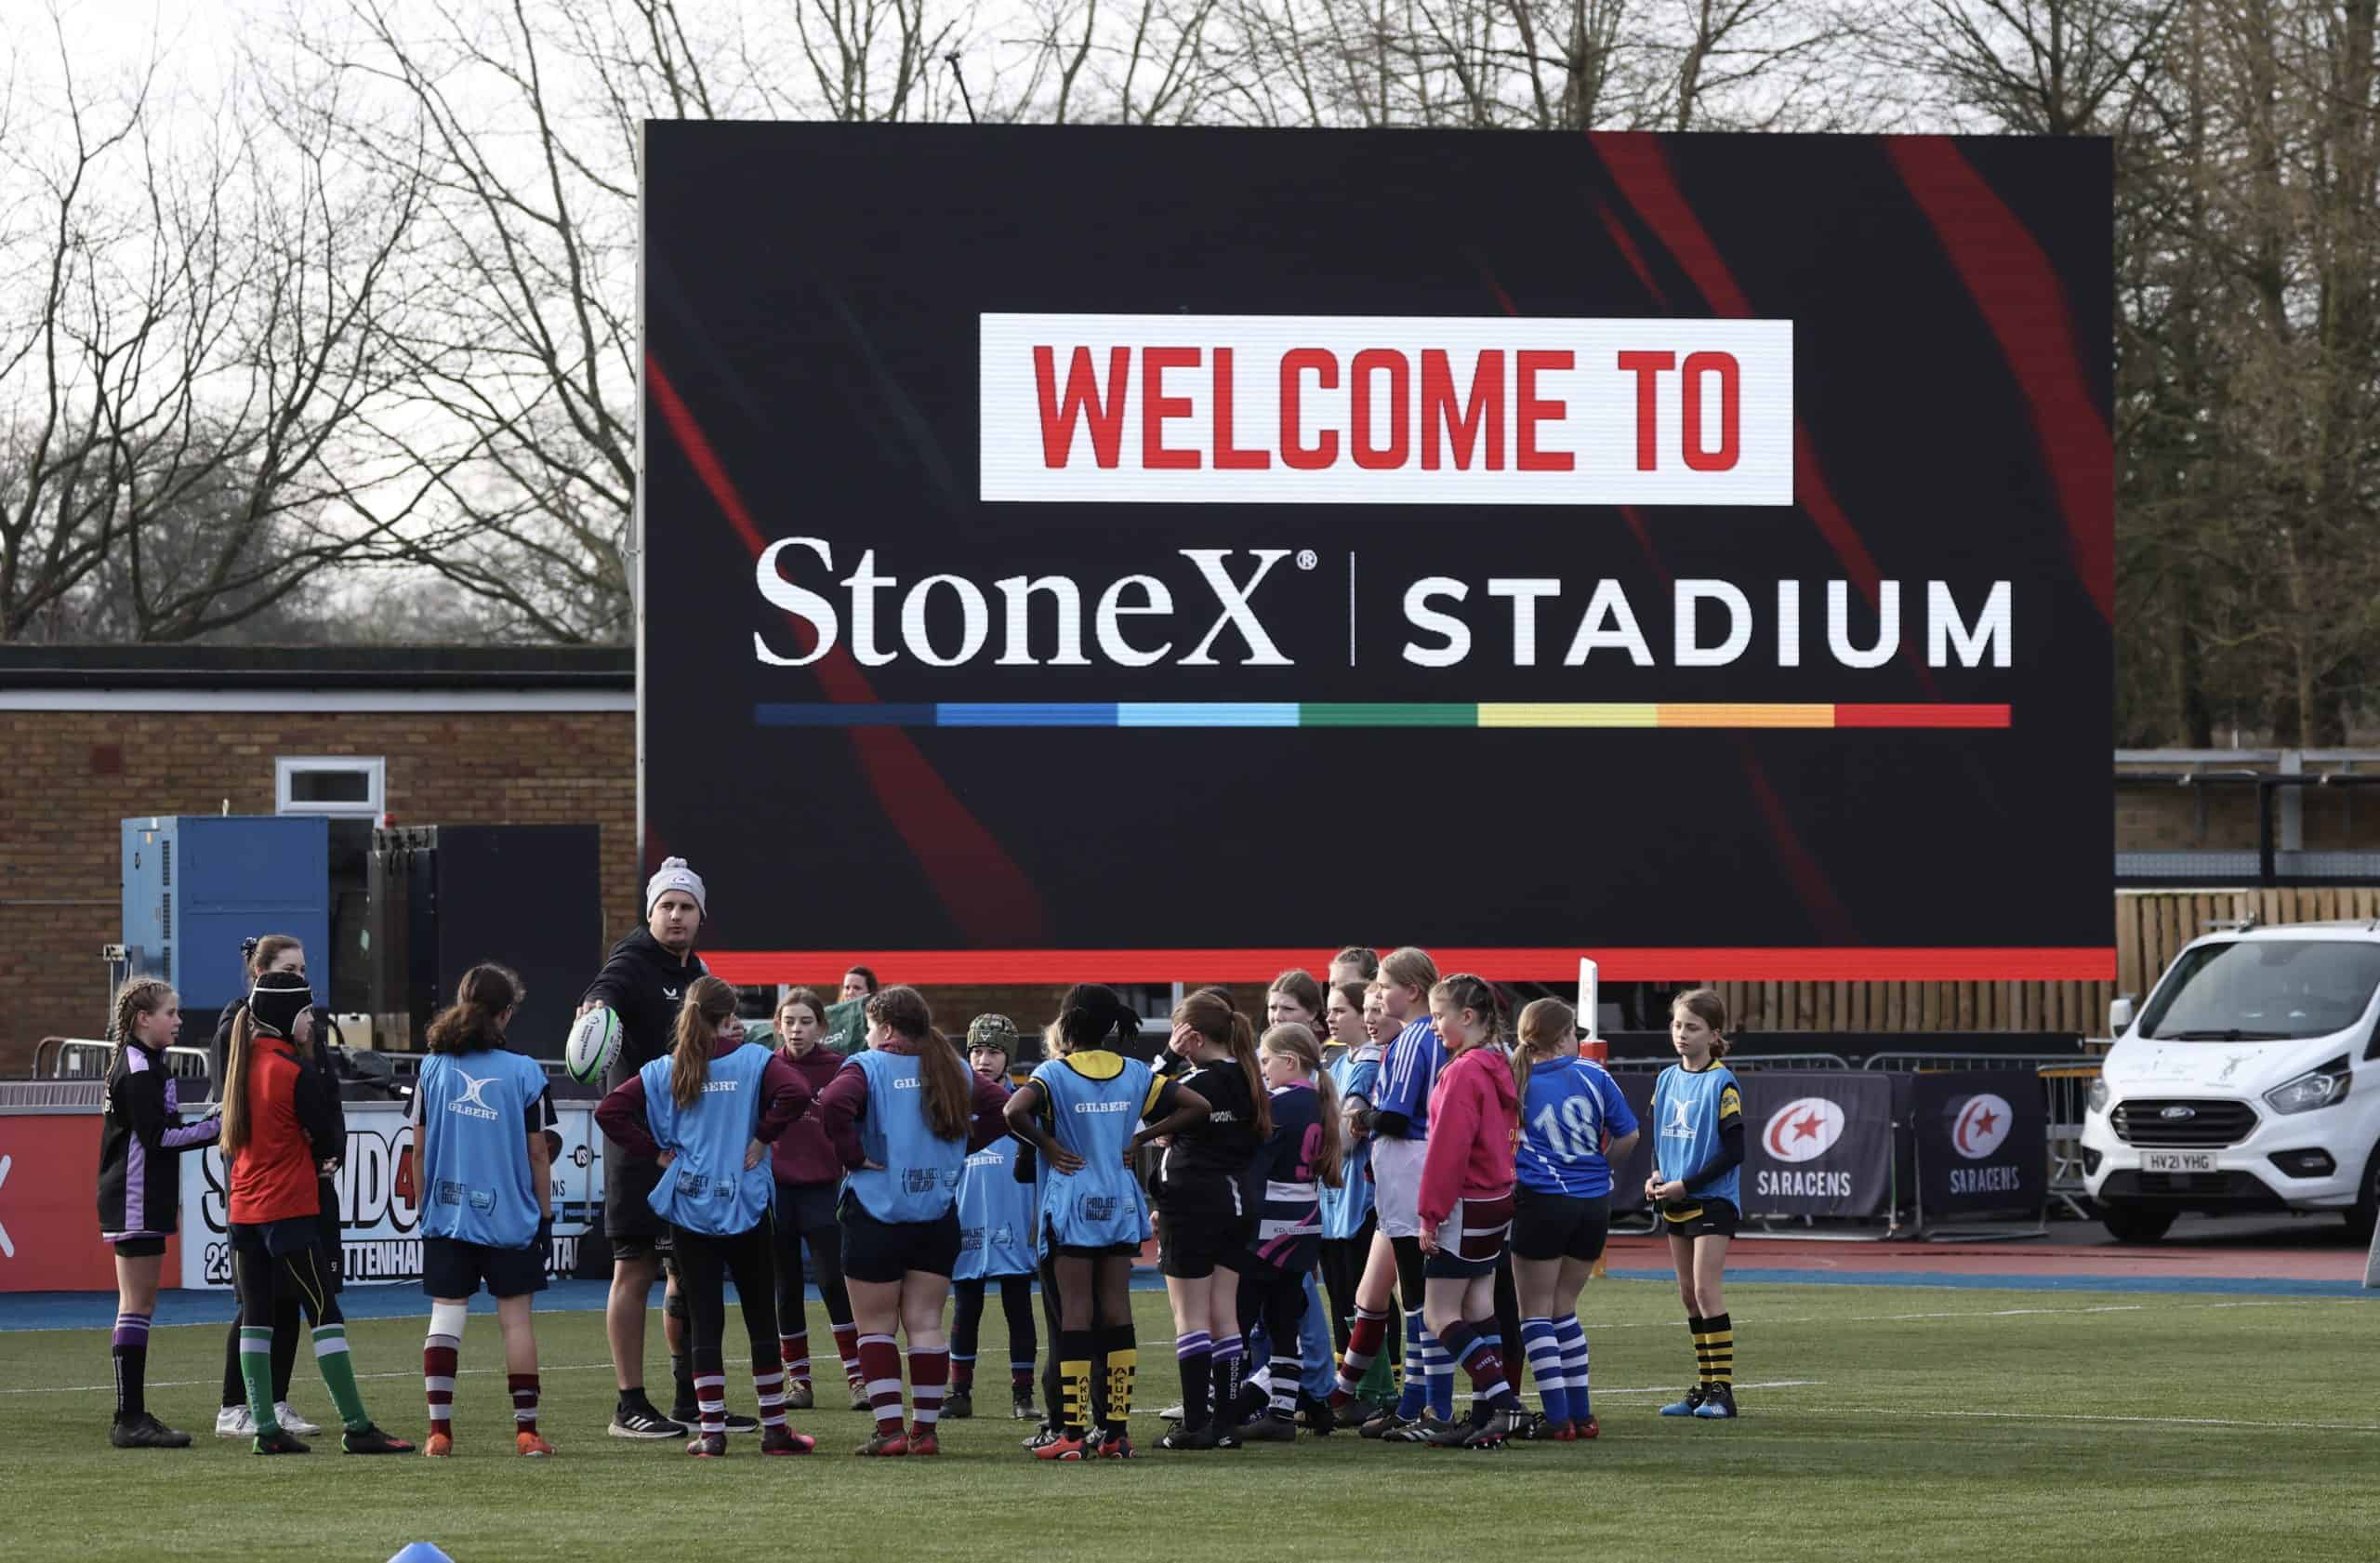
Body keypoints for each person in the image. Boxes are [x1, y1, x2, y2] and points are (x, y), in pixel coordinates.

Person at [596, 975, 819, 1457]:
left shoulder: (667, 1068)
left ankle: (712, 1431)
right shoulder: (755, 1061)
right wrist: (762, 1136)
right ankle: (775, 1429)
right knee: (761, 1314)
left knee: (704, 1317)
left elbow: (611, 1112)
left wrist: (656, 1154)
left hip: (690, 1204)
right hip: (745, 1201)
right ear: (727, 1016)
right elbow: (798, 1094)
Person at [1004, 984, 1210, 1460]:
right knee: (1117, 1309)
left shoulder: (1053, 1072)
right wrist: (1142, 1136)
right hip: (1119, 1200)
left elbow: (1012, 1111)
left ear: (1068, 1023)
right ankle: (1115, 1433)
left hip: (1073, 1201)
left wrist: (1050, 1147)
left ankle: (1071, 1434)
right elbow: (1196, 1107)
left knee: (1075, 1311)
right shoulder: (1136, 1072)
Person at [815, 987, 1013, 1456]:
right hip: (935, 1214)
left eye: (867, 1026)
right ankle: (925, 1432)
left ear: (884, 1030)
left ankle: (889, 1432)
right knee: (926, 1324)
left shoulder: (867, 1066)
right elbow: (1004, 1111)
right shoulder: (950, 1068)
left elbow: (832, 1106)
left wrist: (853, 1156)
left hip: (875, 1215)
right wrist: (960, 1149)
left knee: (876, 1328)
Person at [222, 969, 411, 1454]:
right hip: (288, 1210)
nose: (311, 1022)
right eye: (306, 1013)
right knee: (325, 1312)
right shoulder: (294, 1071)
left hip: (243, 1213)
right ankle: (356, 1425)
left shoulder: (240, 1066)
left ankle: (265, 1428)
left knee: (256, 1317)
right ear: (287, 1016)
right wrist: (314, 1147)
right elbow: (325, 1139)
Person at [581, 856, 716, 1440]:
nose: (677, 915)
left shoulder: (698, 973)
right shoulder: (632, 960)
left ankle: (690, 1398)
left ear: (700, 915)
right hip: (639, 1144)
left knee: (686, 1269)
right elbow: (602, 994)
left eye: (686, 907)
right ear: (650, 912)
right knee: (633, 1269)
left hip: (689, 1143)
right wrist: (595, 1011)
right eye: (667, 906)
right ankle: (629, 1404)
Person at [408, 965, 557, 1458]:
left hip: (447, 1215)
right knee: (516, 1323)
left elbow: (419, 1147)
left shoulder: (432, 1067)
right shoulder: (525, 1072)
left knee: (445, 1317)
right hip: (511, 1217)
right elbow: (539, 1153)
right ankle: (527, 1431)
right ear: (506, 1013)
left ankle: (439, 1433)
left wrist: (428, 1204)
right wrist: (546, 1214)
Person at [1328, 947, 1451, 1438]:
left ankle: (1428, 1405)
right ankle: (1381, 1396)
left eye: (1382, 987)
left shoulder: (1413, 1041)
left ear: (1412, 991)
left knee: (1423, 1302)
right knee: (1391, 1295)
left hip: (1410, 1175)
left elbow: (1397, 1116)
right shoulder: (1424, 1038)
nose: (1375, 997)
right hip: (1408, 1177)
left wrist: (1362, 1119)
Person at [213, 935, 328, 1440]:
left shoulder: (299, 1028)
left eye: (303, 967)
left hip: (294, 1182)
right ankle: (237, 1403)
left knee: (290, 1300)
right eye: (289, 968)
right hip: (260, 1187)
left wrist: (327, 1146)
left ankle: (275, 1401)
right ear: (261, 973)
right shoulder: (238, 1028)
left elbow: (320, 1097)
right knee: (257, 1302)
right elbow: (236, 1107)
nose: (300, 976)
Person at [98, 976, 220, 1448]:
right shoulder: (140, 1067)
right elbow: (160, 1138)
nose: (179, 1020)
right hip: (135, 1196)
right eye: (171, 1013)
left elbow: (161, 1129)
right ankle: (129, 1419)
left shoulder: (148, 1062)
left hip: (140, 1194)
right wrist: (217, 1127)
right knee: (137, 1303)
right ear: (143, 1019)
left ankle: (131, 1415)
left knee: (139, 1304)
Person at [1509, 997, 1637, 1441]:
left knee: (1535, 1313)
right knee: (1565, 1307)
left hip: (1543, 1199)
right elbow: (1629, 1133)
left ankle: (1558, 1417)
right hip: (1593, 1203)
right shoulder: (1593, 1074)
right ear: (1564, 1036)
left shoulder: (1516, 1080)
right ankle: (1582, 1415)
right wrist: (1603, 1166)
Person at [1147, 988, 1267, 1450]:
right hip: (1237, 1202)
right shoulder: (1248, 1076)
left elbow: (1142, 1098)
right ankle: (1225, 1426)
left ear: (1192, 1037)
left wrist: (1166, 1055)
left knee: (1190, 1315)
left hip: (1192, 1201)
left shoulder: (1197, 1081)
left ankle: (1196, 1423)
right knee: (1225, 1316)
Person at [1413, 973, 1527, 1448]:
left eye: (1440, 1016)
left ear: (1468, 1016)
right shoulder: (1497, 1063)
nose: (1434, 1026)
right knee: (1479, 1307)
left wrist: (1429, 1213)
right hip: (1497, 1199)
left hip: (1467, 1201)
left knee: (1439, 1316)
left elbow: (1447, 1149)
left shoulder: (1462, 1072)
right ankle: (1485, 1416)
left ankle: (1505, 1405)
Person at [1229, 1022, 1343, 1443]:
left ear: (1289, 1061)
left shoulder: (1278, 1103)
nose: (1262, 1071)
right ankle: (1280, 1410)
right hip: (1305, 1221)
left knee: (1241, 1318)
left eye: (1266, 1062)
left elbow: (1251, 1158)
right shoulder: (1318, 1100)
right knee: (1284, 1321)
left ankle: (1224, 1404)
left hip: (1268, 1223)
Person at [765, 987, 866, 1412]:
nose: (796, 1030)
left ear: (823, 1027)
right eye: (789, 1022)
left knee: (832, 1284)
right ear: (777, 1026)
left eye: (805, 1021)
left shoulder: (841, 1068)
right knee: (785, 1289)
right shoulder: (765, 1067)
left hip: (823, 1190)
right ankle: (799, 1383)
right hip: (776, 1193)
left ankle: (859, 1381)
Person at [1647, 987, 1744, 1421]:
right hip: (1676, 1198)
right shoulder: (1667, 1079)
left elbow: (1734, 1150)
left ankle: (1723, 1392)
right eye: (1677, 1025)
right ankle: (1704, 1389)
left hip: (1712, 1200)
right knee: (1688, 1296)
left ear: (1714, 1034)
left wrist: (1686, 1184)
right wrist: (1656, 1176)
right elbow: (1660, 1140)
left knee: (1706, 1291)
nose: (1681, 1034)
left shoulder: (1722, 1082)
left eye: (1692, 1027)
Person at [949, 1014, 1038, 1422]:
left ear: (1009, 1058)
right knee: (965, 1309)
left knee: (1018, 1308)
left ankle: (1023, 1396)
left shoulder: (1024, 1106)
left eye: (994, 1051)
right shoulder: (952, 1104)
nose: (983, 1059)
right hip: (966, 1221)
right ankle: (959, 1392)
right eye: (976, 1051)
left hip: (1013, 1221)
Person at [1316, 979, 1380, 1358]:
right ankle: (1349, 1379)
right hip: (1335, 1197)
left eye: (1340, 1010)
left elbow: (1346, 1137)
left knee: (1366, 1298)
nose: (1330, 1017)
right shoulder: (1339, 1062)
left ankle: (1379, 1383)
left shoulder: (1368, 1064)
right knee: (1341, 1297)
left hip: (1361, 1197)